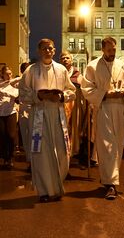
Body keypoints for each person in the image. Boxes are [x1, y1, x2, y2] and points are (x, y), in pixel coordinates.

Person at [19, 39, 76, 202]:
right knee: (41, 154)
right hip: (39, 114)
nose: (47, 51)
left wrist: (61, 96)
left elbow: (72, 91)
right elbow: (22, 93)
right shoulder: (30, 71)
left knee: (62, 152)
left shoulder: (61, 70)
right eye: (44, 48)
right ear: (39, 51)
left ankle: (57, 187)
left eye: (50, 48)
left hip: (57, 113)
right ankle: (44, 191)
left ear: (54, 50)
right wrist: (38, 96)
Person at [81, 36, 124, 200]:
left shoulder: (122, 65)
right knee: (107, 145)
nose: (112, 53)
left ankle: (111, 179)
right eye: (109, 50)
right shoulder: (93, 66)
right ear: (102, 49)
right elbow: (87, 88)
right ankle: (111, 184)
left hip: (120, 108)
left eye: (114, 50)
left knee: (118, 145)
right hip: (104, 108)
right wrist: (105, 94)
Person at [59, 50, 85, 157]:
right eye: (63, 58)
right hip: (61, 103)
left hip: (74, 104)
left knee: (73, 126)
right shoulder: (58, 72)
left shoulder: (77, 74)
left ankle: (73, 150)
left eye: (67, 58)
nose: (65, 60)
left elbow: (83, 89)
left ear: (71, 60)